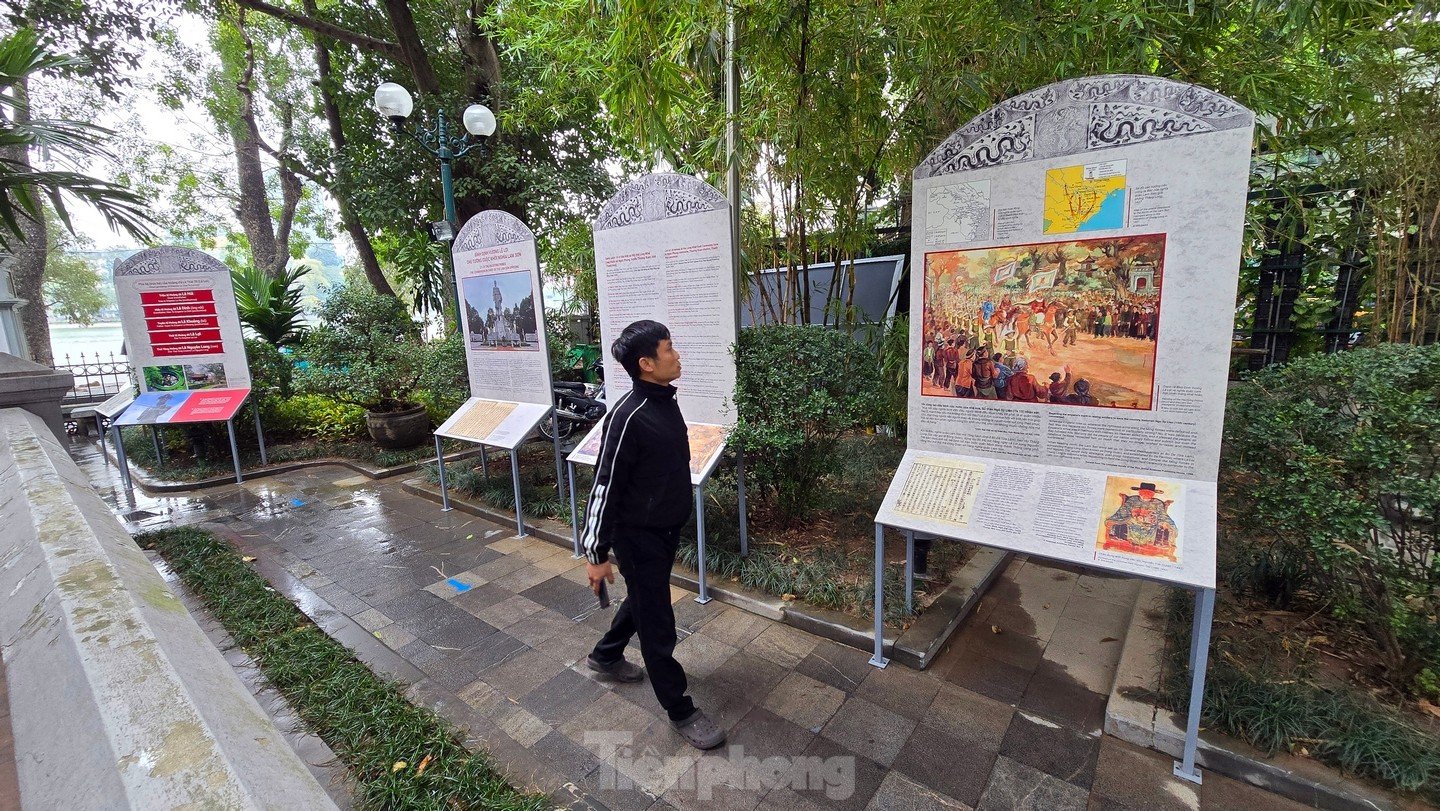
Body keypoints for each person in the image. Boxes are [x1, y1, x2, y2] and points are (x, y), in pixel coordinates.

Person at [579, 320, 726, 750]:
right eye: (668, 348)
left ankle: (605, 655)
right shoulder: (628, 417)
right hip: (637, 535)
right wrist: (596, 552)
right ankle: (680, 709)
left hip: (663, 529)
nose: (676, 354)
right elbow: (604, 485)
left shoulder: (663, 400)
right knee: (657, 622)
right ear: (646, 364)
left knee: (644, 598)